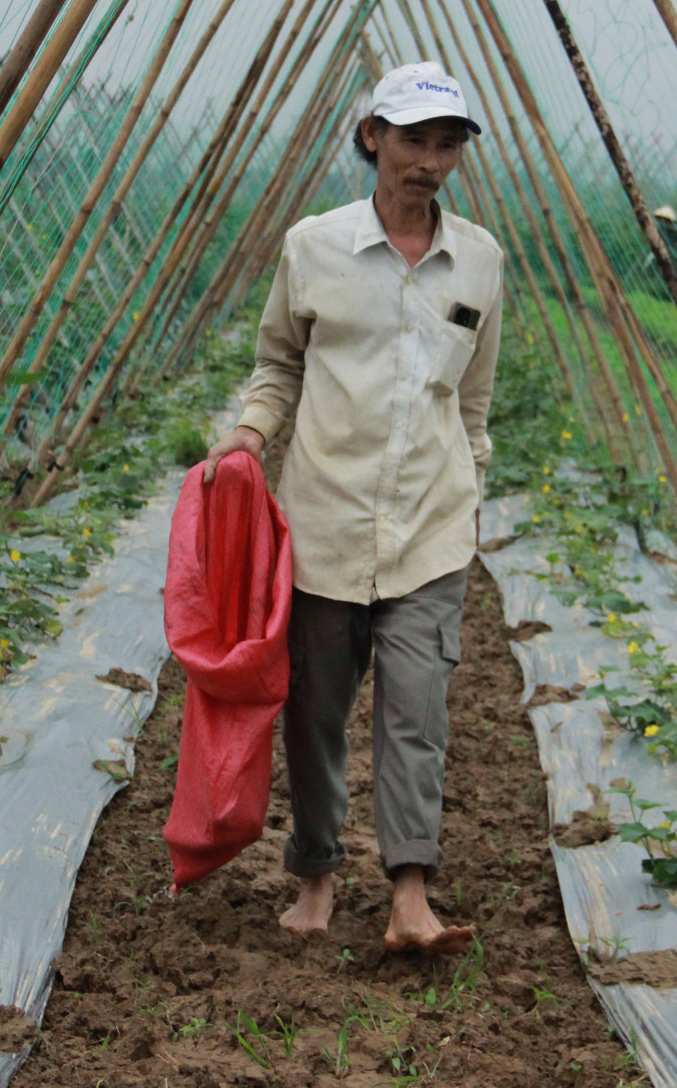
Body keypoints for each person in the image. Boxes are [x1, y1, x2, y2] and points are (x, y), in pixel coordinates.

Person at [202, 61, 503, 955]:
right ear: (372, 135)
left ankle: (411, 896)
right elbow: (278, 367)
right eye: (414, 140)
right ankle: (316, 873)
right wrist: (250, 437)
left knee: (417, 710)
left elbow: (474, 400)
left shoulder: (480, 259)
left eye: (447, 144)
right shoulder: (313, 248)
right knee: (317, 711)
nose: (431, 162)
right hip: (325, 521)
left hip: (431, 527)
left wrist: (472, 493)